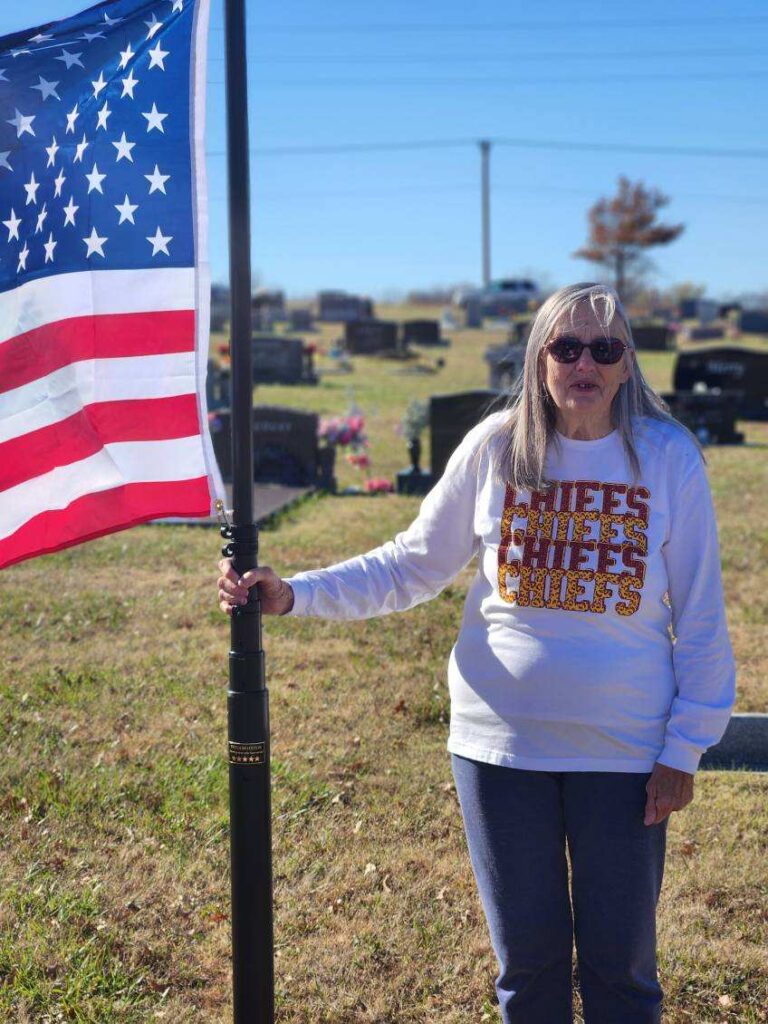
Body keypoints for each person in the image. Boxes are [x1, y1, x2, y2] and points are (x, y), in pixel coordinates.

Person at [217, 282, 736, 1024]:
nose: (584, 362)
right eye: (566, 346)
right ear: (539, 358)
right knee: (527, 972)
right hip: (500, 754)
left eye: (605, 348)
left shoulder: (666, 459)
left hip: (625, 755)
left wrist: (685, 748)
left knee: (622, 972)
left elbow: (703, 617)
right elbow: (409, 565)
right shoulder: (496, 448)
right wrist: (295, 592)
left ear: (627, 367)